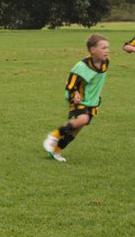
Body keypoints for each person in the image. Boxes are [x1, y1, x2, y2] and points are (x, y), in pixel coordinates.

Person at [42, 34, 110, 162]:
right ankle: (54, 136)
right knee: (82, 119)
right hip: (78, 98)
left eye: (107, 47)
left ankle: (56, 151)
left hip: (93, 101)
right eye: (103, 48)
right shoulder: (81, 66)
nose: (107, 51)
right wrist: (75, 94)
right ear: (92, 50)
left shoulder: (106, 62)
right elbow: (70, 84)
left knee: (77, 128)